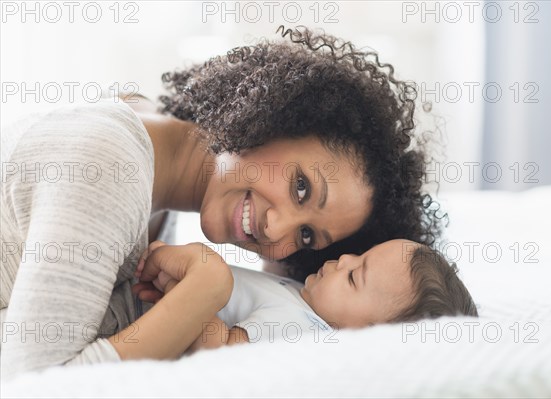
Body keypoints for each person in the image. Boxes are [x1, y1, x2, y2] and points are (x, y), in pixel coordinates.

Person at [0, 26, 442, 377]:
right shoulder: (110, 166)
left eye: (307, 236)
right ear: (273, 115)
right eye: (302, 187)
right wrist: (205, 289)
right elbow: (36, 385)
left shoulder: (154, 158)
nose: (275, 231)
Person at [126, 238, 477, 355]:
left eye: (355, 277)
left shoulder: (300, 330)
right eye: (361, 254)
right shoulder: (305, 300)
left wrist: (181, 284)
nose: (344, 260)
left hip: (135, 319)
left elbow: (222, 350)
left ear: (366, 338)